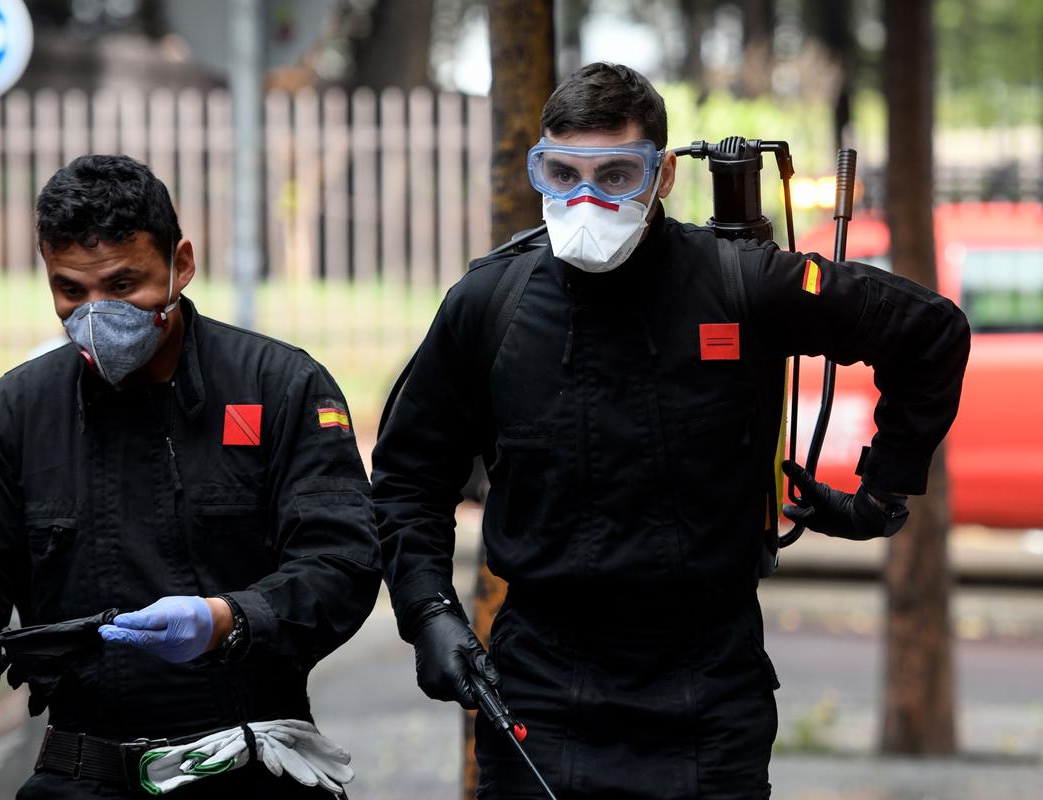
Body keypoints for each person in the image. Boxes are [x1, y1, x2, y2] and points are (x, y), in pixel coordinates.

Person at [372, 62, 970, 799]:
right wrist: (427, 609)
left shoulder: (741, 283)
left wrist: (880, 493)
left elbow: (930, 333)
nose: (585, 198)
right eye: (560, 173)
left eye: (616, 174)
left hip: (708, 696)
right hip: (541, 691)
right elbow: (408, 475)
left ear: (663, 178)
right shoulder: (491, 303)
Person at [0, 154, 381, 798]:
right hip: (82, 772)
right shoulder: (14, 412)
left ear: (181, 265)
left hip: (250, 770)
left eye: (123, 285)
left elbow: (342, 560)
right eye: (71, 291)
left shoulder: (279, 387)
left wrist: (226, 618)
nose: (96, 314)